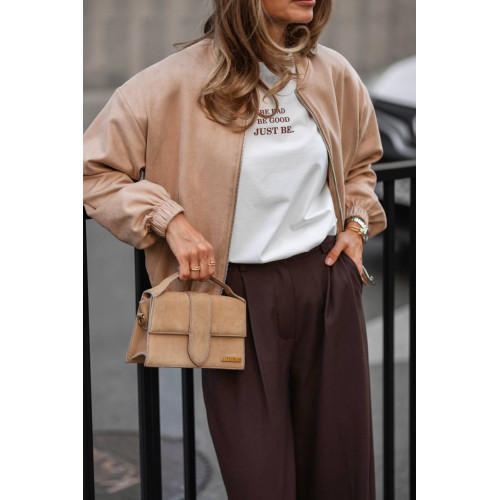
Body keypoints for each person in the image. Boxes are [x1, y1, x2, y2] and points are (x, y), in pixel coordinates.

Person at [83, 0, 386, 498]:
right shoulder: (169, 84)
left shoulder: (331, 73)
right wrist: (167, 218)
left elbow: (360, 164)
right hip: (233, 298)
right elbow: (93, 172)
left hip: (327, 282)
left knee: (341, 475)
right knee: (259, 481)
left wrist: (356, 224)